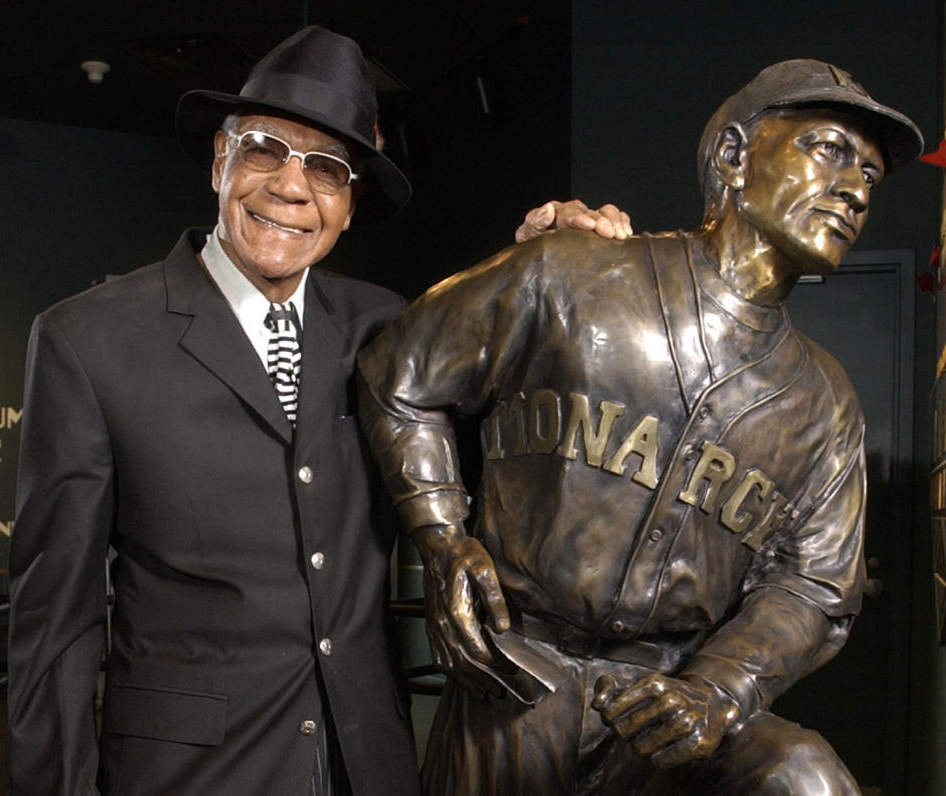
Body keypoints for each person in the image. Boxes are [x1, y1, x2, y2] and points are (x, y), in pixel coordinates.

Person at [5, 25, 628, 796]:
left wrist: (545, 271)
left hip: (369, 768)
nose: (292, 188)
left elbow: (516, 436)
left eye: (327, 168)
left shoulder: (387, 327)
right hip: (187, 776)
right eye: (264, 148)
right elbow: (54, 629)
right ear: (219, 160)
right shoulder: (87, 340)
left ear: (347, 202)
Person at [357, 59, 923, 794]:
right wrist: (441, 537)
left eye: (871, 178)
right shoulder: (573, 272)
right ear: (734, 156)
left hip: (668, 703)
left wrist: (718, 687)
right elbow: (399, 375)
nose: (854, 189)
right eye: (828, 149)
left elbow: (815, 585)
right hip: (519, 676)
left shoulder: (825, 401)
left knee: (803, 776)